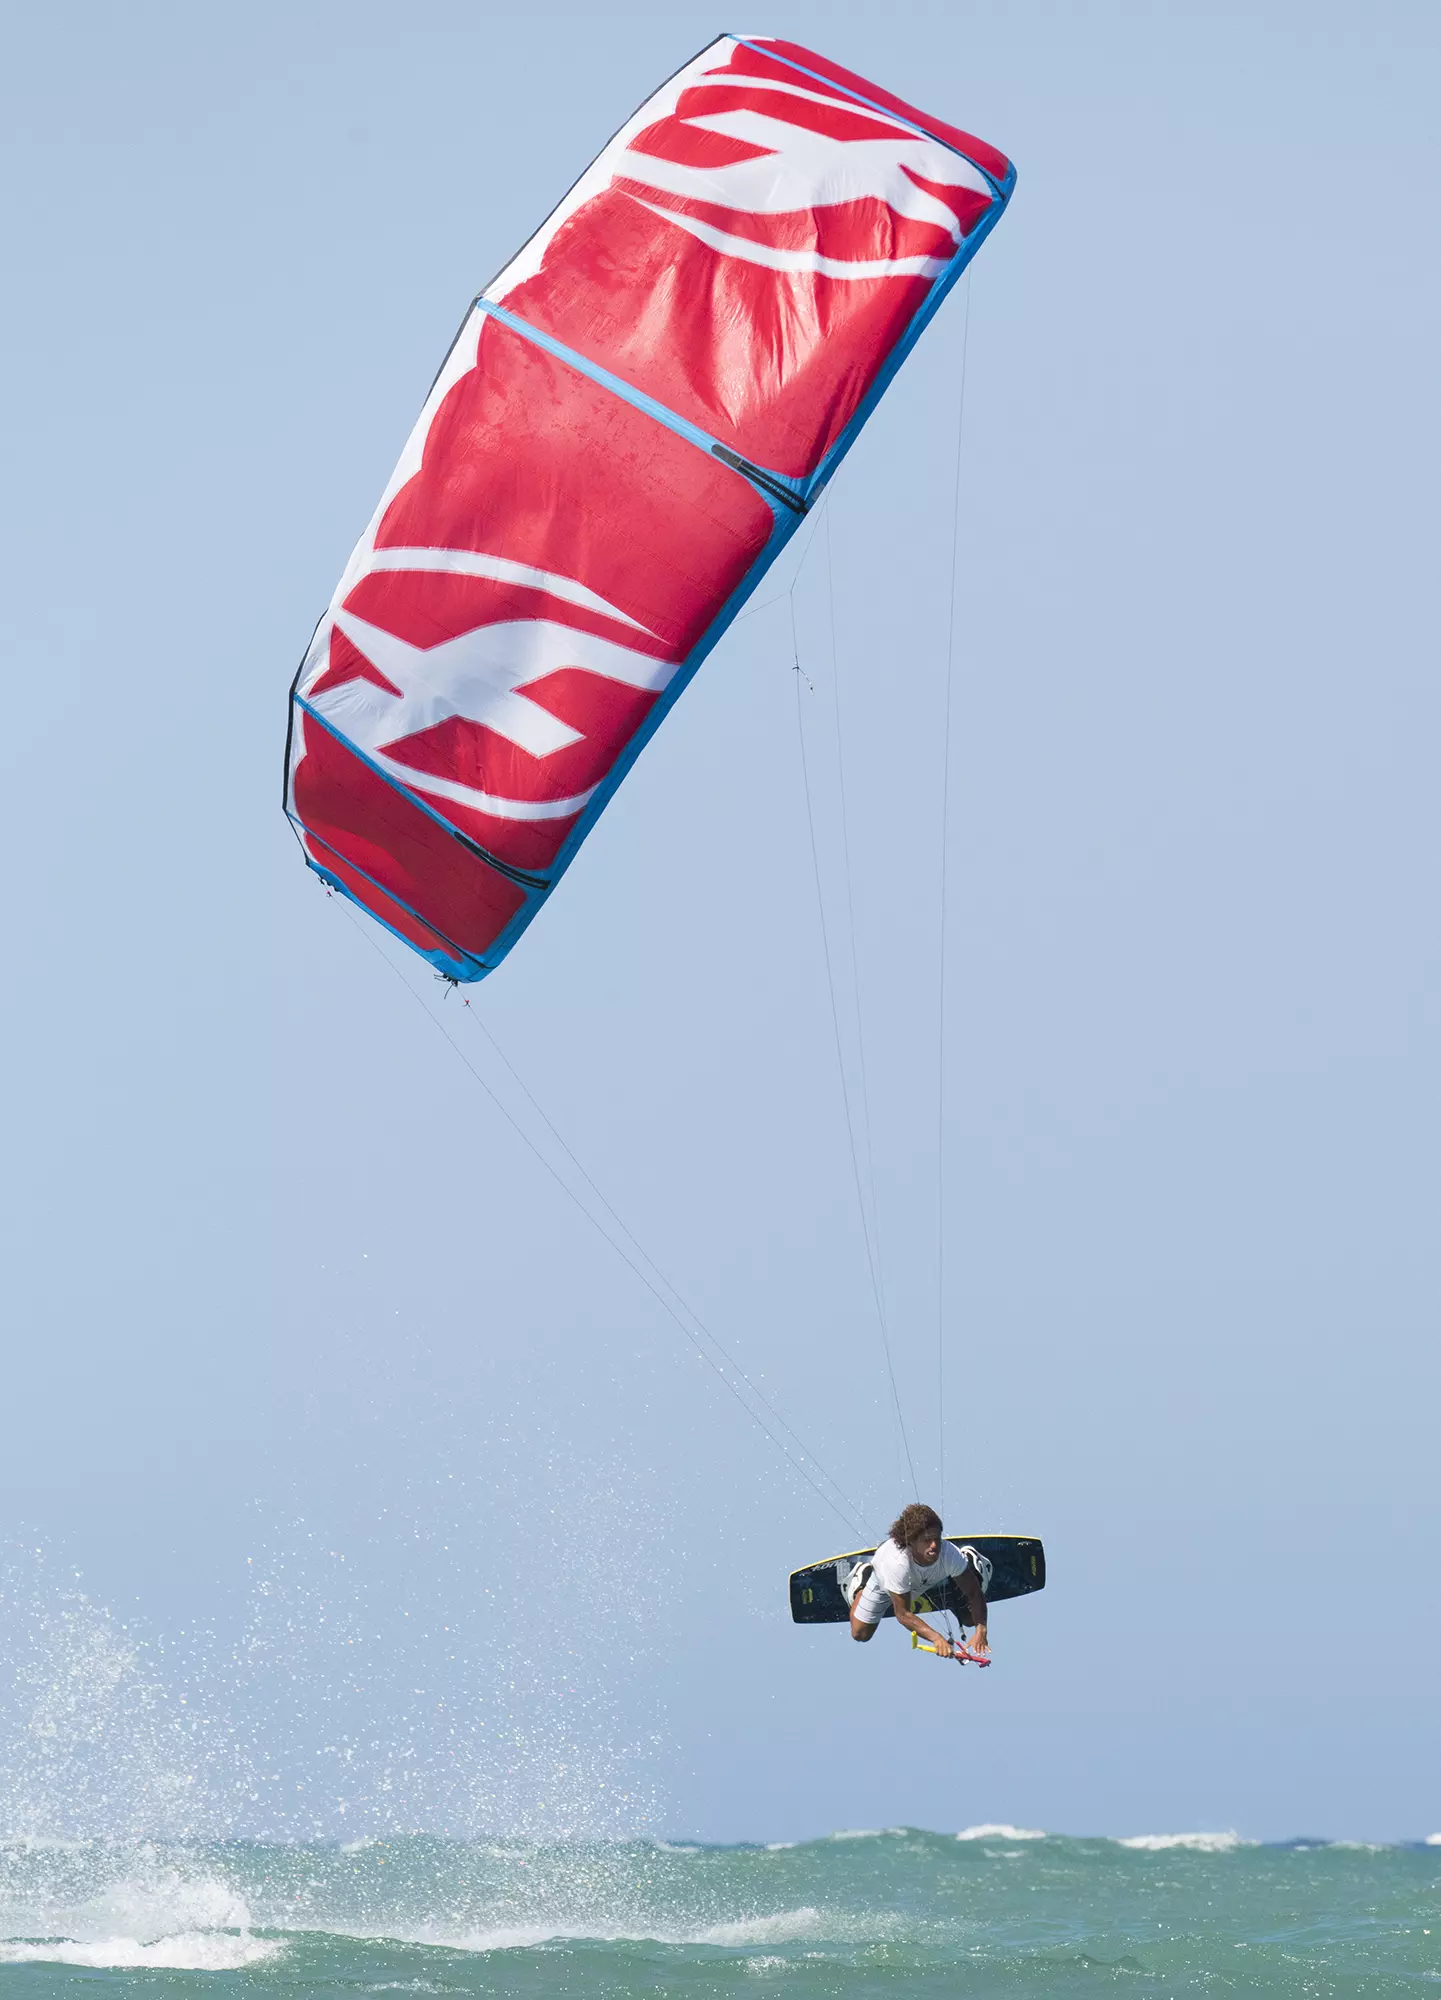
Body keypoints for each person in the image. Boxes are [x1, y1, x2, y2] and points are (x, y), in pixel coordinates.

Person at [842, 1502, 990, 1658]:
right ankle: (862, 1579)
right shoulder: (896, 1563)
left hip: (933, 1577)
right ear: (911, 1540)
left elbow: (974, 1592)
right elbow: (903, 1613)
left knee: (970, 1620)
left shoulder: (949, 1554)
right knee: (860, 1634)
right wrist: (936, 1638)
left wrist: (981, 1629)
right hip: (888, 1584)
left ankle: (969, 1562)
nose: (934, 1545)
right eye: (927, 1540)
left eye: (937, 1539)